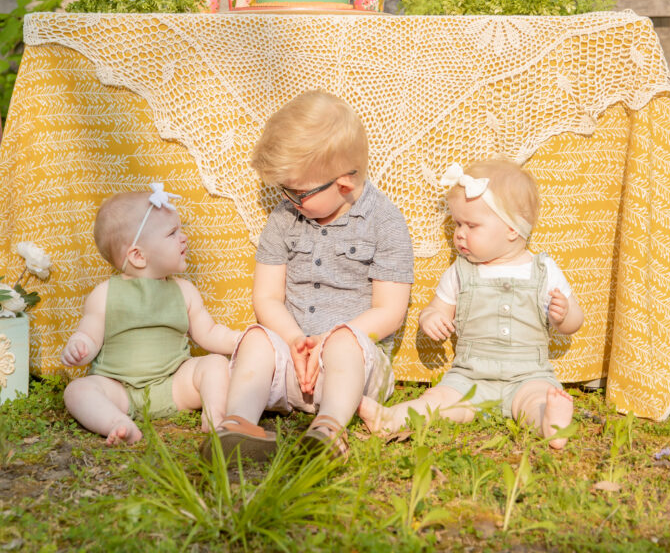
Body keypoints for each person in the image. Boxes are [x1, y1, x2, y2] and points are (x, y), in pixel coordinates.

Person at [206, 90, 414, 462]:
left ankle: (328, 431)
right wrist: (295, 340)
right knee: (256, 338)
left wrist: (330, 339)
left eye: (297, 192)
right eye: (283, 190)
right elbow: (267, 297)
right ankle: (238, 426)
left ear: (343, 184)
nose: (288, 199)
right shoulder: (284, 218)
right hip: (292, 364)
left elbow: (389, 310)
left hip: (355, 373)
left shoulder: (385, 222)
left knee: (345, 341)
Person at [359, 159, 584, 451]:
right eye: (457, 223)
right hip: (469, 376)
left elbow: (573, 323)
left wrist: (564, 314)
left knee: (536, 399)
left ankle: (549, 422)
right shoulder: (461, 270)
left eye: (471, 225)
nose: (460, 233)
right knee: (440, 400)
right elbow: (437, 308)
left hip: (529, 375)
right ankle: (393, 418)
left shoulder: (543, 270)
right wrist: (430, 317)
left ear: (512, 230)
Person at [61, 183, 239, 445]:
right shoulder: (105, 293)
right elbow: (89, 333)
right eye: (172, 233)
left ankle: (215, 415)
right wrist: (80, 347)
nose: (184, 237)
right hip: (119, 388)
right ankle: (117, 422)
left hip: (174, 384)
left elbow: (209, 333)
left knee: (214, 364)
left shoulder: (184, 291)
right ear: (138, 256)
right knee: (77, 390)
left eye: (181, 230)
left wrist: (240, 339)